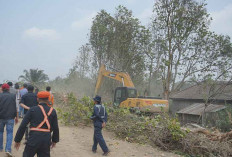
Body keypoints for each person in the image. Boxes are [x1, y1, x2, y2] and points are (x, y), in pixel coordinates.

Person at [14, 91, 59, 157]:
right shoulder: (53, 111)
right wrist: (54, 140)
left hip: (33, 137)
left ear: (37, 99)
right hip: (46, 139)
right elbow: (55, 127)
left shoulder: (32, 110)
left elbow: (23, 125)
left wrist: (18, 140)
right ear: (48, 99)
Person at [0, 83, 18, 157]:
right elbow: (17, 107)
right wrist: (17, 117)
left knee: (0, 132)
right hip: (10, 117)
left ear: (2, 88)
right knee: (9, 133)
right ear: (8, 89)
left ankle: (0, 147)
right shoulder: (13, 96)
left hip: (1, 117)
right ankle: (8, 149)